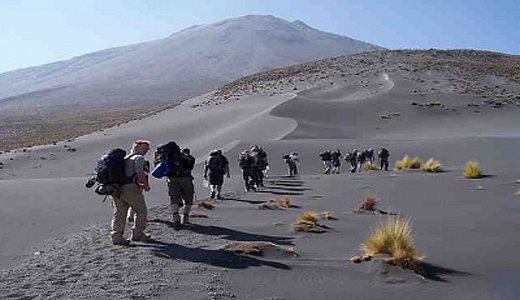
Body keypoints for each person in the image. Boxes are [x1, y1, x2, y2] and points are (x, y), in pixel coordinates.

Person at [111, 140, 151, 245]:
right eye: (144, 148)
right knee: (141, 211)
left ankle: (117, 236)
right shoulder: (138, 158)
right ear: (136, 147)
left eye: (147, 148)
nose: (147, 150)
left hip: (116, 188)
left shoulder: (124, 159)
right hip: (131, 188)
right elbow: (140, 172)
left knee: (119, 213)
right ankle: (137, 234)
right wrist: (146, 185)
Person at [164, 145, 196, 229]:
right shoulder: (185, 156)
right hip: (185, 178)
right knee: (188, 198)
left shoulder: (167, 157)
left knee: (174, 198)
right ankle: (185, 217)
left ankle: (175, 216)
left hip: (172, 179)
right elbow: (190, 166)